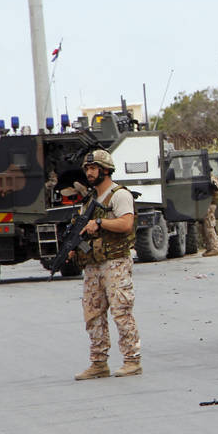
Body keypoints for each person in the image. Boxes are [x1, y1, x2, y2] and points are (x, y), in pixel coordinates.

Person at [71, 149, 143, 380]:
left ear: (105, 170)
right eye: (87, 169)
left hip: (115, 262)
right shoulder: (90, 199)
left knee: (121, 311)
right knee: (93, 313)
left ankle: (132, 360)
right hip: (93, 264)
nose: (90, 173)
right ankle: (98, 363)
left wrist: (100, 222)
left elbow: (126, 224)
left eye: (93, 168)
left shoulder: (119, 195)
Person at [202, 168, 218, 257]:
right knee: (206, 227)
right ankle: (210, 248)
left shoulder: (212, 180)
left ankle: (214, 248)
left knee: (210, 226)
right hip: (208, 204)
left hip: (211, 204)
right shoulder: (209, 179)